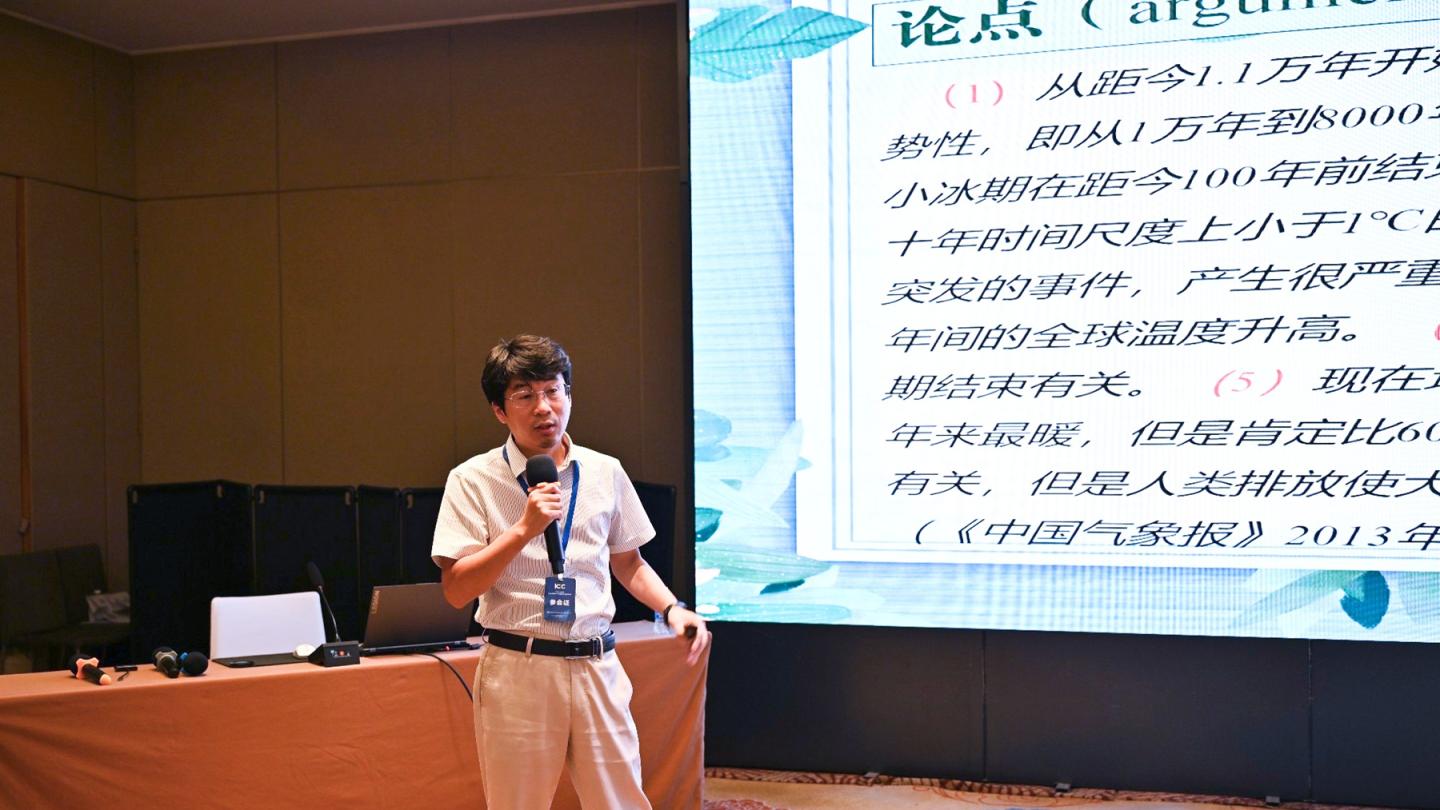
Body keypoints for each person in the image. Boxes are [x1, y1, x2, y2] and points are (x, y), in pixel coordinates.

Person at [431, 334, 709, 809]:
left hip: (597, 663)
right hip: (519, 668)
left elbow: (629, 563)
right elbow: (458, 589)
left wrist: (672, 608)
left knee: (620, 801)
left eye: (553, 391)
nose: (544, 407)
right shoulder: (472, 479)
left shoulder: (605, 471)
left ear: (569, 395)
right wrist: (523, 529)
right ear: (499, 410)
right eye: (525, 395)